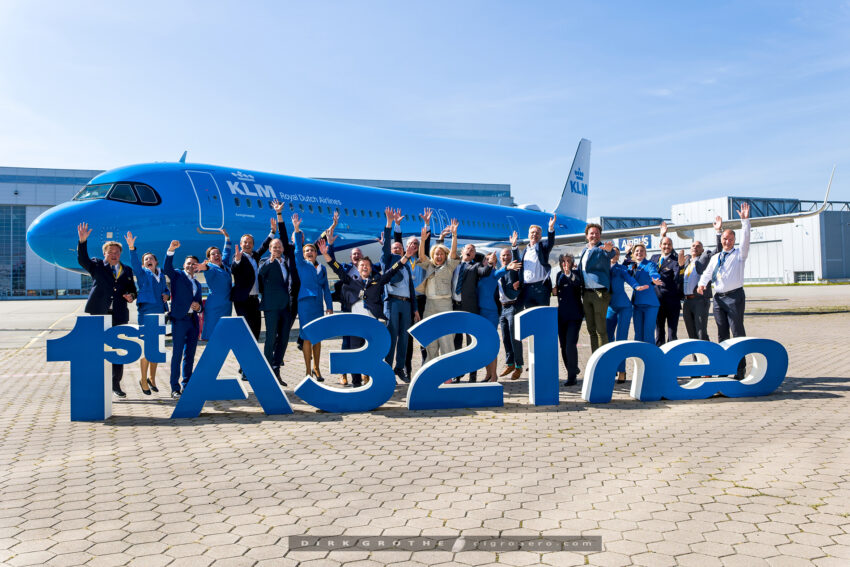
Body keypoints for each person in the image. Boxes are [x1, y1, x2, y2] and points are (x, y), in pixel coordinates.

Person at [320, 234, 412, 387]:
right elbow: (336, 267)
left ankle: (370, 382)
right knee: (354, 354)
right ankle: (356, 384)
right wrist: (325, 254)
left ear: (370, 268)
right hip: (355, 325)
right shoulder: (350, 280)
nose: (365, 267)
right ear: (358, 267)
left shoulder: (377, 281)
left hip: (372, 326)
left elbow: (392, 271)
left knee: (372, 355)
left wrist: (406, 257)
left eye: (367, 266)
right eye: (362, 265)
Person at [77, 223, 137, 398]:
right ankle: (94, 384)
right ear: (105, 254)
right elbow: (82, 260)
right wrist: (82, 242)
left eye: (117, 252)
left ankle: (115, 384)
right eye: (110, 252)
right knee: (95, 349)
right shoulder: (97, 266)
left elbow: (133, 290)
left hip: (118, 315)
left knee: (117, 351)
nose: (114, 255)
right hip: (98, 313)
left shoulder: (126, 270)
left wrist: (131, 296)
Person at [698, 202, 752, 379]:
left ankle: (740, 367)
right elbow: (707, 273)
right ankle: (724, 366)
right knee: (722, 333)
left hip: (734, 297)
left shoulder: (739, 255)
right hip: (718, 299)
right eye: (724, 239)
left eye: (729, 239)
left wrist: (745, 222)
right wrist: (701, 284)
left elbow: (746, 241)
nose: (726, 241)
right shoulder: (716, 257)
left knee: (737, 332)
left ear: (733, 240)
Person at [125, 231, 169, 395]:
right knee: (147, 349)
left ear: (156, 262)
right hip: (146, 313)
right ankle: (143, 379)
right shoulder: (143, 274)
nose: (148, 261)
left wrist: (167, 294)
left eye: (151, 259)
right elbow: (135, 264)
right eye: (146, 260)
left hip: (159, 313)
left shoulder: (162, 275)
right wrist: (132, 248)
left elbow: (165, 290)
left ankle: (152, 378)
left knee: (156, 349)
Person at [230, 220, 276, 377]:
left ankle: (246, 365)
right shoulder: (239, 258)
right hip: (242, 301)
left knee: (256, 332)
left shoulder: (255, 256)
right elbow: (235, 270)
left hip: (255, 300)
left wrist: (272, 232)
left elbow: (264, 247)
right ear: (240, 244)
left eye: (249, 242)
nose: (247, 244)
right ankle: (245, 368)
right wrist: (236, 260)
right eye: (244, 242)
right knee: (246, 333)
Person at [292, 213, 333, 382]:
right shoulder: (301, 263)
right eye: (307, 250)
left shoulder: (321, 268)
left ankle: (317, 368)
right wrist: (296, 229)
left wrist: (329, 306)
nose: (310, 252)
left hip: (318, 305)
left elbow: (326, 289)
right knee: (307, 335)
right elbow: (296, 249)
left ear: (317, 253)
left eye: (312, 250)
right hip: (306, 304)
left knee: (318, 336)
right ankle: (308, 371)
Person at [381, 207, 419, 383]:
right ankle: (387, 369)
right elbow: (390, 243)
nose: (397, 249)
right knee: (392, 335)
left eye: (399, 248)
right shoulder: (387, 259)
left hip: (406, 304)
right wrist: (391, 224)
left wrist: (415, 309)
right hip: (393, 302)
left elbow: (411, 289)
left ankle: (399, 367)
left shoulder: (406, 264)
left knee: (404, 337)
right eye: (394, 248)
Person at [257, 229, 300, 387]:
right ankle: (266, 370)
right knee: (270, 339)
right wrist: (271, 260)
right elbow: (260, 274)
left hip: (285, 307)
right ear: (270, 249)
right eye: (273, 247)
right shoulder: (265, 262)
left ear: (283, 249)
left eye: (279, 247)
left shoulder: (286, 263)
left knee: (283, 339)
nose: (276, 249)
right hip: (271, 307)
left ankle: (276, 369)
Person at [451, 241, 497, 383]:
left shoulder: (475, 266)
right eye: (468, 248)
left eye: (473, 250)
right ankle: (457, 374)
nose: (470, 251)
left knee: (471, 342)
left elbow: (485, 271)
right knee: (456, 342)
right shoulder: (454, 265)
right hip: (454, 307)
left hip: (470, 308)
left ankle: (473, 377)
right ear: (463, 250)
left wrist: (490, 263)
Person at [416, 219, 460, 366]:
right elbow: (421, 257)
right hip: (429, 306)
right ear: (433, 256)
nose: (439, 256)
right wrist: (422, 240)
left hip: (444, 305)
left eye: (441, 254)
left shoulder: (449, 266)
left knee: (447, 340)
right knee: (430, 342)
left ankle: (448, 374)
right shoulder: (429, 266)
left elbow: (453, 253)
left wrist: (454, 236)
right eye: (436, 254)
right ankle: (430, 371)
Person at [163, 240, 203, 398]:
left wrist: (198, 308)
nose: (191, 266)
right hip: (179, 320)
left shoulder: (198, 284)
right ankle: (174, 387)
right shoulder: (177, 275)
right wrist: (171, 250)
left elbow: (200, 303)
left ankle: (187, 384)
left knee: (190, 355)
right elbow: (167, 268)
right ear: (184, 265)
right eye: (188, 263)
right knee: (177, 354)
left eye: (194, 264)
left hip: (192, 321)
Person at [605, 246, 649, 382]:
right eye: (612, 253)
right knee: (607, 338)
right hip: (610, 307)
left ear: (618, 256)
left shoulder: (621, 268)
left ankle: (622, 371)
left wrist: (636, 286)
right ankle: (611, 368)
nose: (613, 255)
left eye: (616, 254)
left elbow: (629, 279)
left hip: (624, 307)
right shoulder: (603, 268)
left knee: (621, 339)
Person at [397, 209, 431, 380]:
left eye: (416, 244)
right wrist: (397, 225)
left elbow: (427, 241)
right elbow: (396, 242)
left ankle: (425, 366)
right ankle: (407, 370)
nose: (413, 246)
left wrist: (426, 225)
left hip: (422, 300)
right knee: (407, 337)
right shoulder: (402, 260)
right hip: (408, 302)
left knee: (424, 334)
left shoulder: (422, 259)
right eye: (410, 244)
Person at [682, 216, 723, 341]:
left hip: (700, 300)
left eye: (698, 246)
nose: (695, 247)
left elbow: (719, 250)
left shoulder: (706, 256)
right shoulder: (686, 261)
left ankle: (707, 357)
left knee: (701, 332)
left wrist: (718, 232)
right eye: (693, 245)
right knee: (691, 334)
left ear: (702, 249)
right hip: (687, 302)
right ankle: (696, 359)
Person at [577, 223, 615, 352]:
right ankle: (595, 357)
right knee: (591, 329)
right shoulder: (585, 250)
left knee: (601, 330)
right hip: (586, 293)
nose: (594, 236)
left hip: (599, 293)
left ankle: (603, 360)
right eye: (592, 233)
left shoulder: (602, 248)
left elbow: (610, 253)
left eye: (597, 233)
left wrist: (610, 250)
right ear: (587, 236)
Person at [650, 223, 685, 345]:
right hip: (656, 301)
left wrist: (681, 267)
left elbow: (677, 278)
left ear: (672, 247)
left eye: (669, 244)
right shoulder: (654, 258)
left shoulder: (676, 260)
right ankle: (659, 357)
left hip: (671, 302)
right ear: (660, 245)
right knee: (659, 331)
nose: (667, 246)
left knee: (672, 332)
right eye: (664, 244)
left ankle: (672, 357)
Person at [511, 216, 557, 308]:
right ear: (528, 235)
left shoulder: (542, 247)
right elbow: (518, 264)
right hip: (527, 288)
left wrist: (550, 228)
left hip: (541, 287)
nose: (534, 234)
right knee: (530, 315)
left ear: (540, 236)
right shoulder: (525, 251)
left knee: (542, 314)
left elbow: (550, 242)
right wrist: (514, 246)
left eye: (537, 233)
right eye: (532, 232)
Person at [196, 228, 233, 341]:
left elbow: (227, 251)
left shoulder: (225, 265)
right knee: (211, 335)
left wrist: (227, 237)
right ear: (209, 258)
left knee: (223, 335)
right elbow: (207, 269)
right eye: (213, 254)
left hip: (227, 305)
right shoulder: (211, 268)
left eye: (218, 253)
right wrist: (204, 267)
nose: (217, 255)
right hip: (214, 306)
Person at [627, 243, 664, 351]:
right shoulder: (631, 266)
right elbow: (626, 273)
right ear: (633, 254)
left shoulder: (650, 264)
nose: (639, 253)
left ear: (645, 253)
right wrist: (627, 254)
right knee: (638, 334)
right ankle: (639, 357)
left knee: (648, 333)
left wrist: (655, 278)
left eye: (642, 251)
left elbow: (654, 273)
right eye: (637, 251)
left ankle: (650, 359)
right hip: (637, 304)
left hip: (650, 304)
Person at [555, 254, 585, 386]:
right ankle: (572, 369)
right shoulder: (558, 275)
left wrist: (569, 274)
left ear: (573, 263)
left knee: (570, 345)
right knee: (563, 346)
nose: (565, 263)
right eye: (563, 261)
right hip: (561, 316)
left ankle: (572, 376)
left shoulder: (577, 273)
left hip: (575, 315)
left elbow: (577, 283)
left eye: (568, 261)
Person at [497, 248, 524, 381]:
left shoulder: (513, 269)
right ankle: (510, 364)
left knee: (515, 338)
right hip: (503, 308)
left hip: (513, 306)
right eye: (503, 255)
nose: (505, 257)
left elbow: (518, 263)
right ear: (499, 257)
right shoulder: (499, 271)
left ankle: (519, 366)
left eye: (508, 255)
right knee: (505, 337)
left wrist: (514, 248)